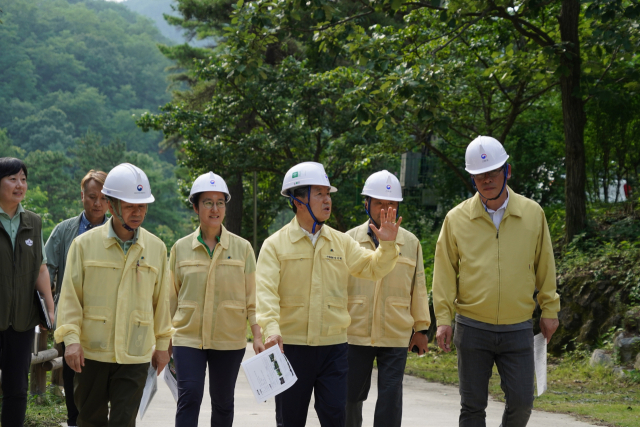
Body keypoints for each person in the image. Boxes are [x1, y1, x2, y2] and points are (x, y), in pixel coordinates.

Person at [257, 161, 402, 427]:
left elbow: (372, 268)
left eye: (328, 194)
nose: (327, 200)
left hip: (333, 350)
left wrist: (388, 245)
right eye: (320, 194)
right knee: (290, 420)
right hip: (291, 348)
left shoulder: (341, 242)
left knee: (336, 418)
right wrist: (271, 330)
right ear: (297, 200)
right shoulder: (274, 246)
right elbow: (265, 293)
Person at [432, 136, 561, 427]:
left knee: (521, 403)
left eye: (492, 172)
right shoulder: (456, 219)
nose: (486, 179)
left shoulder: (532, 214)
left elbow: (545, 264)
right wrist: (443, 318)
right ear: (472, 179)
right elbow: (443, 272)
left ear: (508, 171)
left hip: (517, 327)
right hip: (472, 326)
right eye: (479, 175)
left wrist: (550, 310)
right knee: (472, 407)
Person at [54, 163, 174, 426]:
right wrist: (71, 339)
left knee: (124, 421)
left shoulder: (156, 248)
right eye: (131, 205)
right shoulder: (84, 245)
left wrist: (163, 345)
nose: (138, 212)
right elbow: (70, 297)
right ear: (112, 205)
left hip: (135, 353)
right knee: (90, 420)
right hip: (91, 353)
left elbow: (161, 302)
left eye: (142, 206)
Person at [168, 171, 265, 427]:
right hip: (187, 337)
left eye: (220, 202)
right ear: (195, 206)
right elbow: (170, 298)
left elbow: (251, 298)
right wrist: (163, 337)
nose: (215, 208)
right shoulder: (180, 248)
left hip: (229, 339)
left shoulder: (243, 248)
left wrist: (257, 335)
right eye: (208, 202)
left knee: (223, 402)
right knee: (189, 397)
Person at [345, 170, 431, 427]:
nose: (386, 209)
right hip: (355, 331)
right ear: (367, 204)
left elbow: (419, 287)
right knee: (350, 396)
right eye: (380, 203)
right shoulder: (349, 240)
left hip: (395, 331)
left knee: (391, 396)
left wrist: (422, 328)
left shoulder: (410, 242)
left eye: (391, 203)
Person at [45, 169, 108, 427]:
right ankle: (74, 422)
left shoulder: (121, 232)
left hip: (107, 319)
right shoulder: (64, 231)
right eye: (92, 196)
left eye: (104, 198)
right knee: (73, 380)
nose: (97, 203)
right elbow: (46, 270)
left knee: (104, 383)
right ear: (82, 196)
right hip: (71, 317)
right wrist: (47, 309)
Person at [0, 157, 55, 427]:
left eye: (23, 179)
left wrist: (50, 306)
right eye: (12, 179)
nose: (19, 185)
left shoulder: (33, 221)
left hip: (22, 322)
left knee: (17, 388)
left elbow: (41, 269)